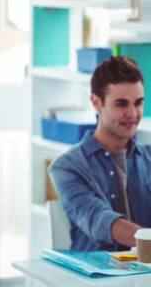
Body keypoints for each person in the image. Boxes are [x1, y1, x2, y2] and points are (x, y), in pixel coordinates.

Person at [49, 55, 151, 252]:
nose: (132, 113)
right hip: (97, 278)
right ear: (96, 102)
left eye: (138, 103)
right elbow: (99, 220)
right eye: (121, 104)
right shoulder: (67, 167)